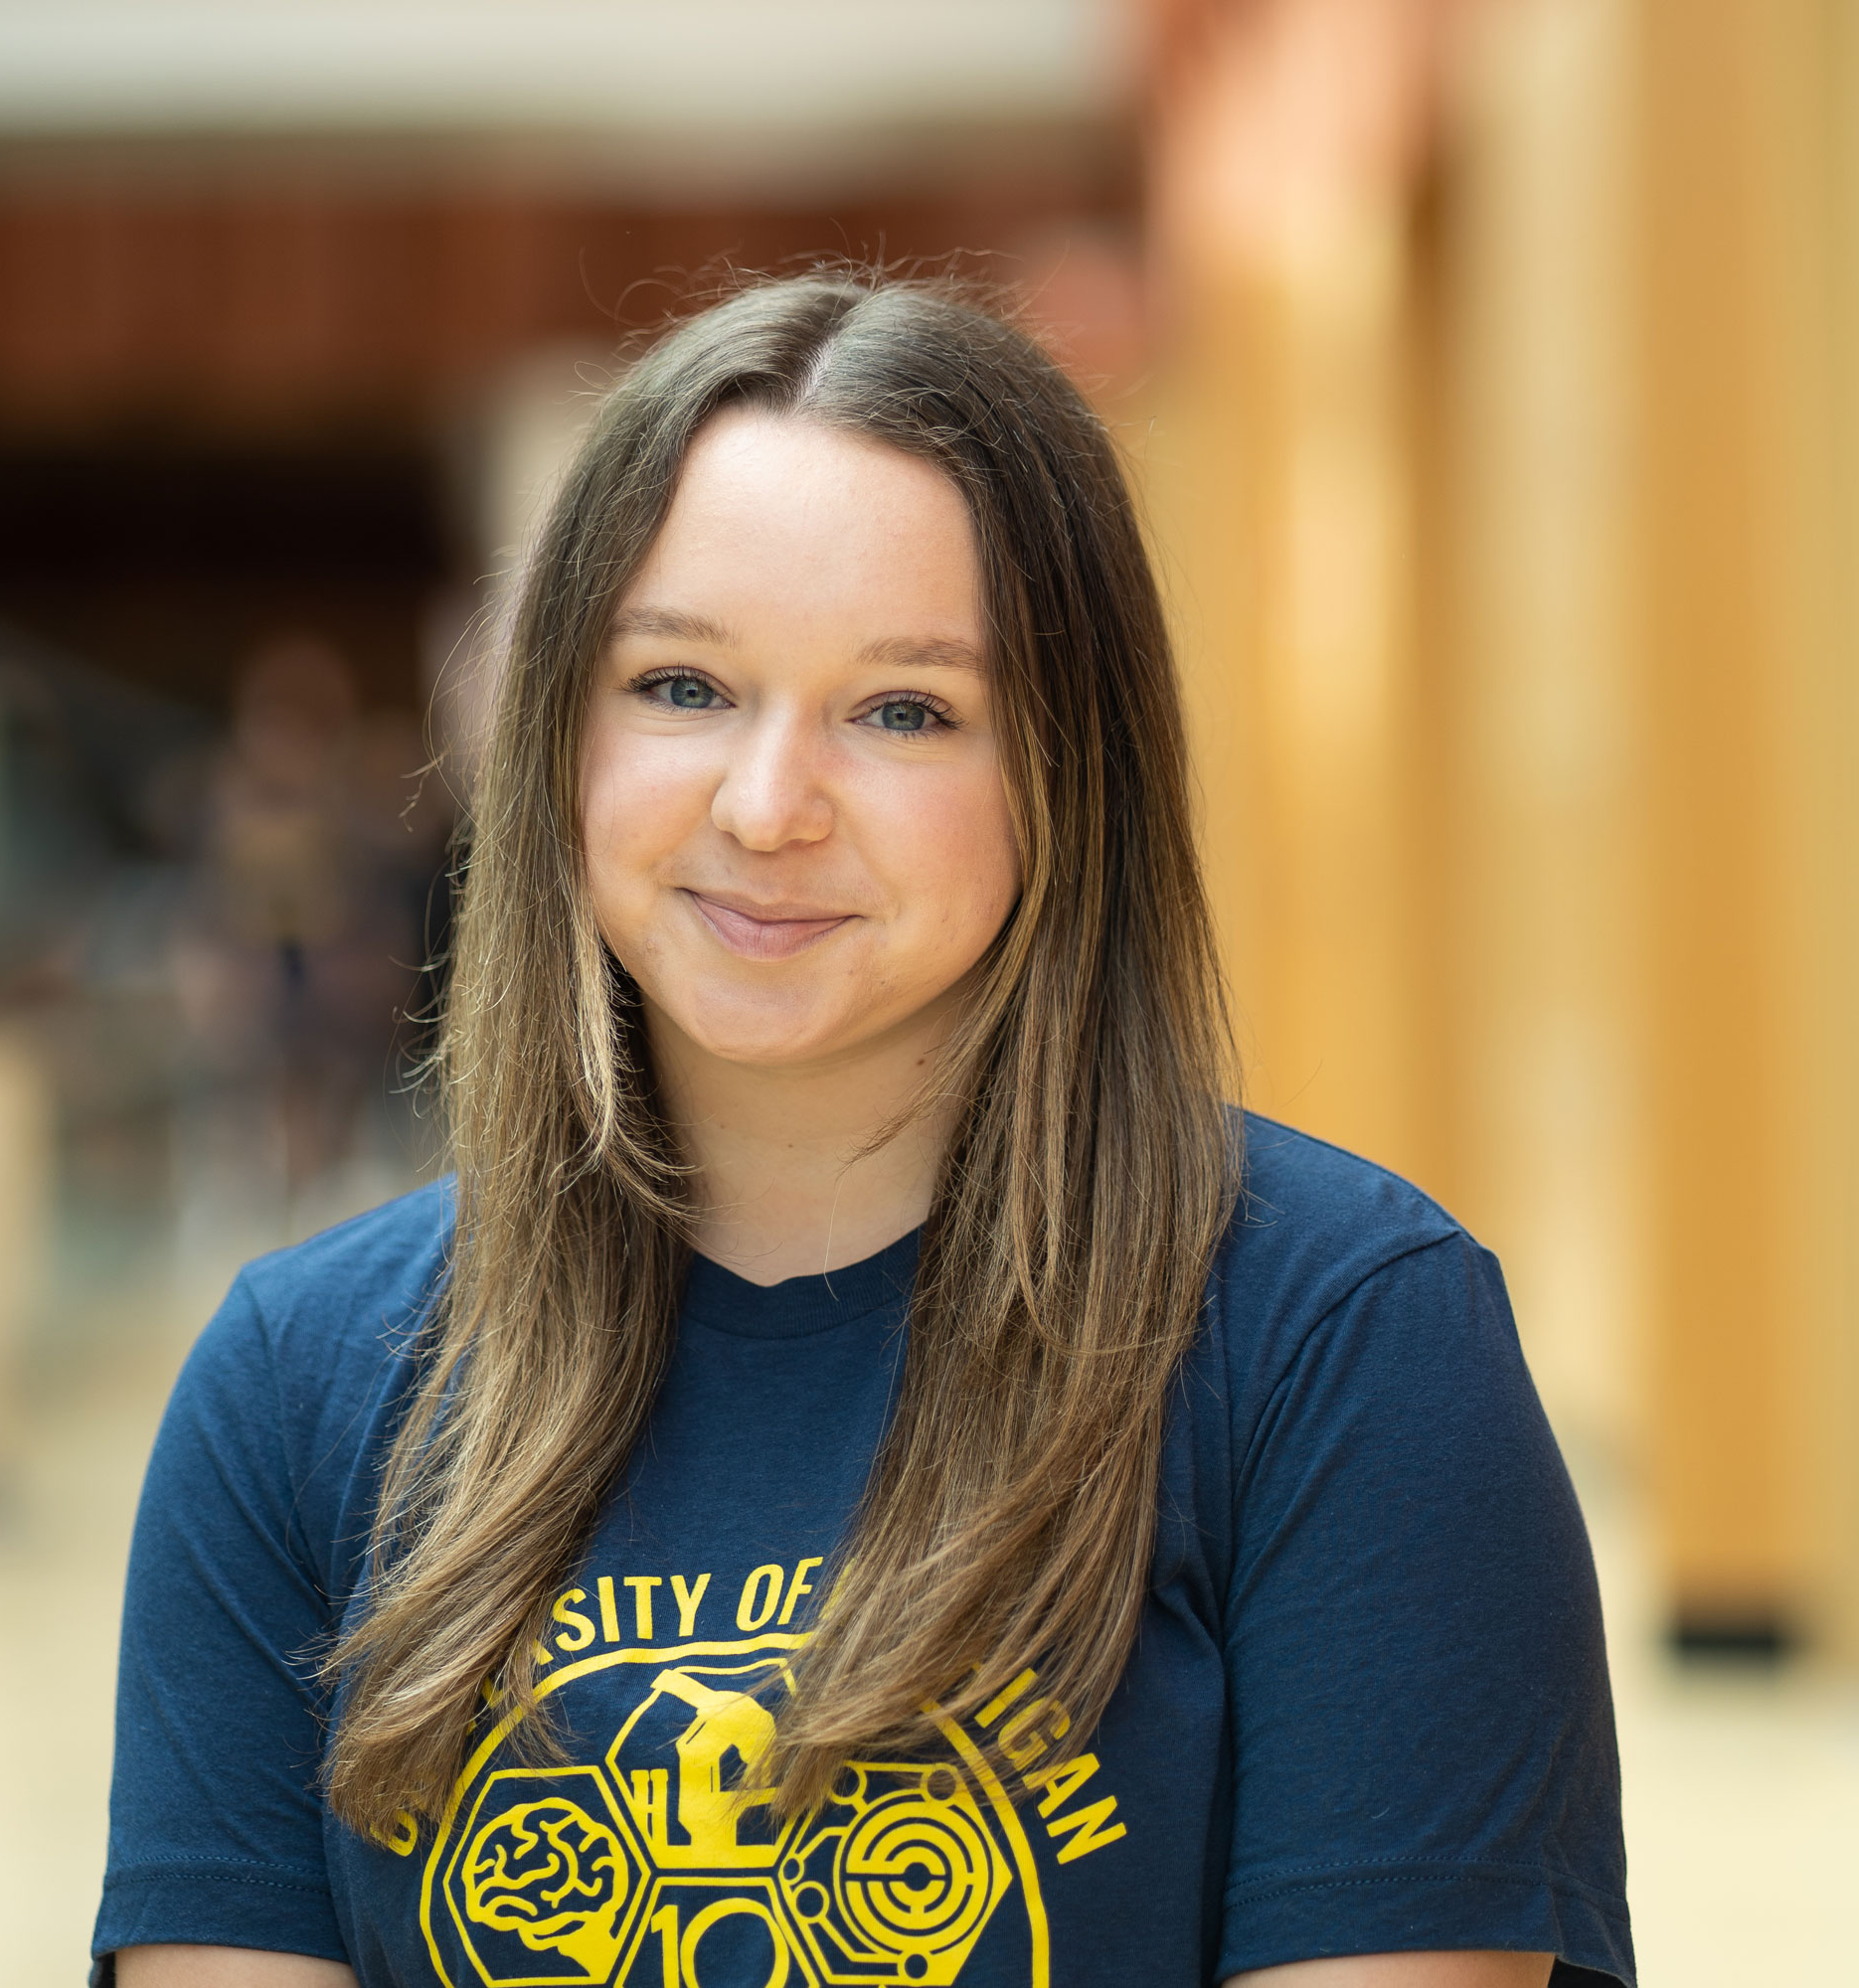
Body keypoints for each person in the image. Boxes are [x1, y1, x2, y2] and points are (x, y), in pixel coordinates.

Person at [92, 275, 1635, 1988]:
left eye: (905, 711)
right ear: (559, 742)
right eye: (681, 686)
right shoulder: (295, 1390)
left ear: (1068, 770)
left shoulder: (1346, 1350)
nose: (767, 809)